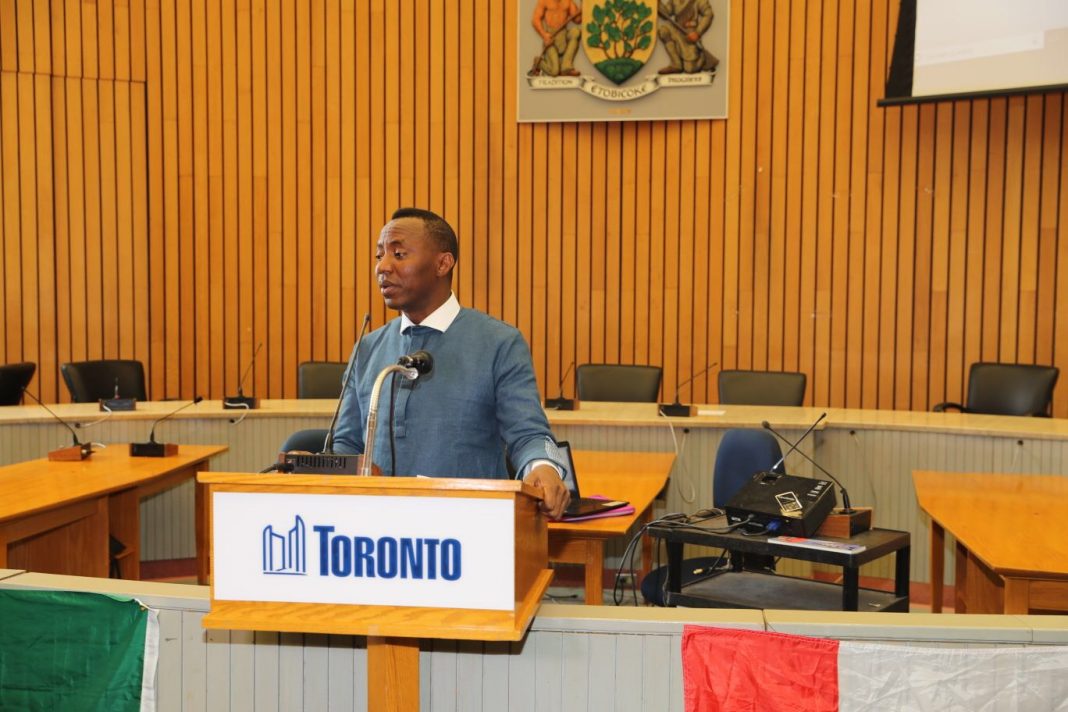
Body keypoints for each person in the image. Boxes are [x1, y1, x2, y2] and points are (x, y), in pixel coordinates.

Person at [332, 208, 571, 519]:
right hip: (376, 530)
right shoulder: (368, 348)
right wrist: (316, 467)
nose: (383, 266)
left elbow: (530, 435)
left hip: (469, 527)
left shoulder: (499, 343)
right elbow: (346, 444)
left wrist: (544, 466)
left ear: (443, 264)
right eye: (379, 255)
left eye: (399, 254)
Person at [657, 0, 718, 74]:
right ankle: (676, 64)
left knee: (690, 69)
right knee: (663, 31)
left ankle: (702, 57)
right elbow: (665, 14)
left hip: (689, 34)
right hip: (677, 29)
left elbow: (708, 14)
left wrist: (698, 32)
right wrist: (658, 3)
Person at [530, 0, 582, 77]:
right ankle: (538, 62)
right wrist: (544, 35)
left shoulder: (568, 2)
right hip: (551, 39)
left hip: (563, 36)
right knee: (554, 72)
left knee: (576, 32)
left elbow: (577, 20)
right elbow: (535, 20)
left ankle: (566, 67)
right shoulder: (544, 1)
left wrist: (583, 7)